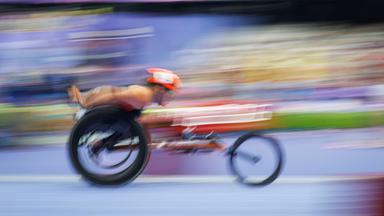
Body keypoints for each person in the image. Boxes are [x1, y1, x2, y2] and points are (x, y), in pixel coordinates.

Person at [67, 68, 181, 110]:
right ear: (159, 89)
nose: (172, 97)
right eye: (170, 92)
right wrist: (86, 102)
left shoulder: (146, 98)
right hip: (97, 98)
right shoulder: (142, 95)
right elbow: (112, 94)